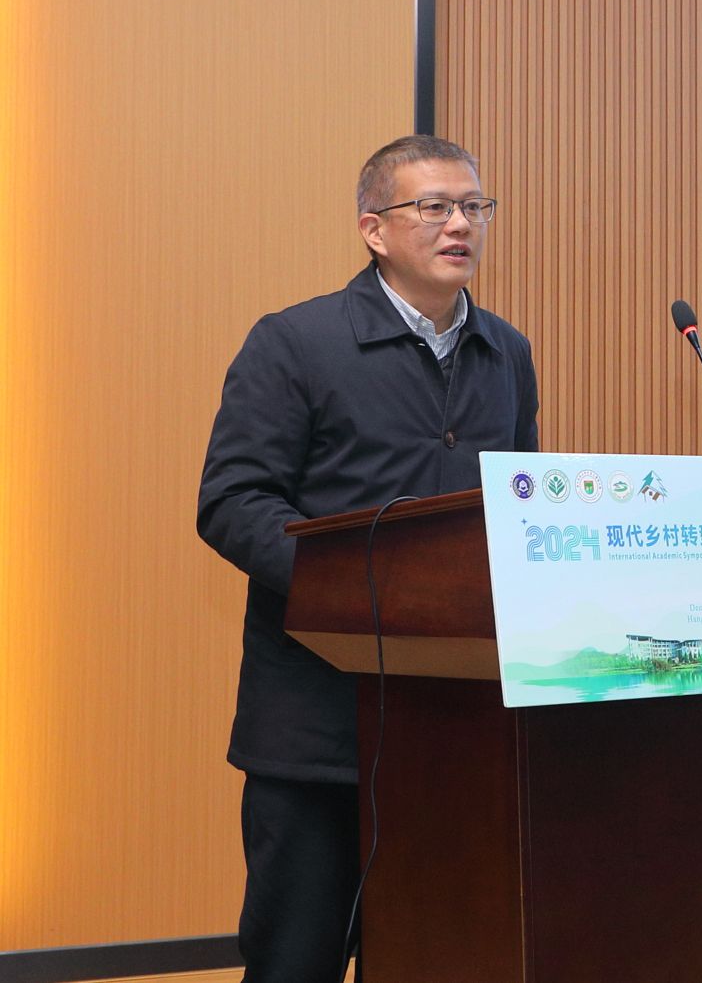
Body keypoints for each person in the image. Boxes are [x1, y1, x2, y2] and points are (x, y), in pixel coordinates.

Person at [197, 135, 539, 980]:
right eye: (434, 207)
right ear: (373, 230)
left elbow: (518, 509)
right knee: (295, 962)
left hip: (459, 730)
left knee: (441, 957)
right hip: (318, 726)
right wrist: (363, 589)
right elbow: (233, 503)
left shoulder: (507, 351)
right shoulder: (295, 342)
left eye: (474, 207)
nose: (460, 224)